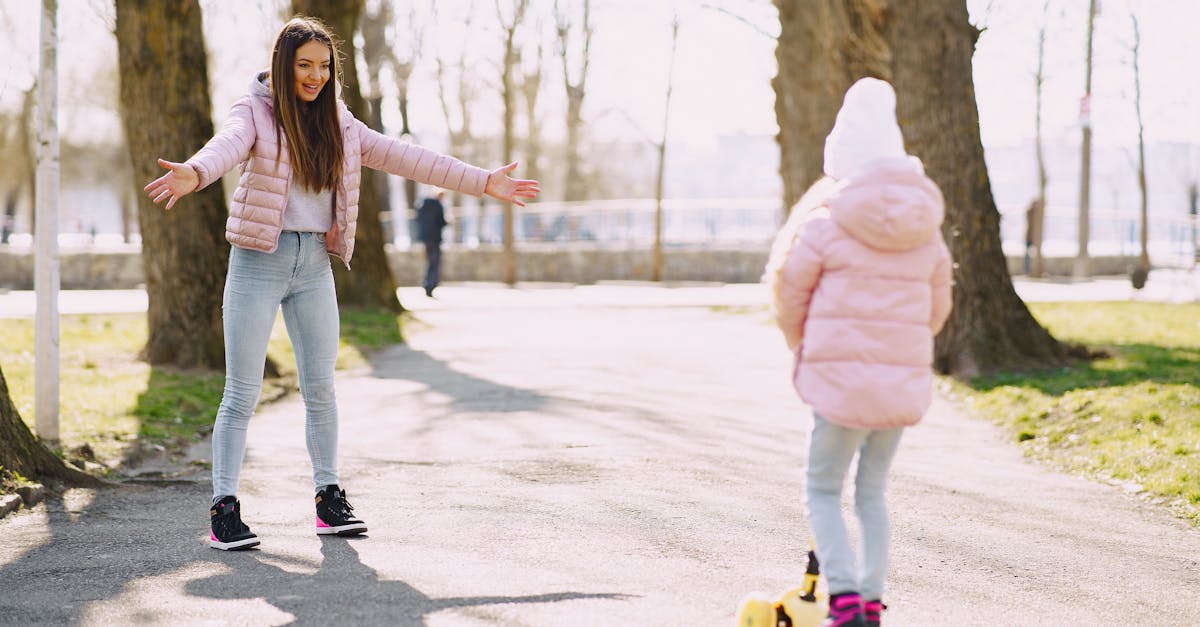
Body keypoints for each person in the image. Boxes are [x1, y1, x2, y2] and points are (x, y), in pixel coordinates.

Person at [142, 16, 539, 551]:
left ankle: (328, 499)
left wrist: (482, 182)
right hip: (259, 259)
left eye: (324, 66)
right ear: (284, 65)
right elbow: (227, 146)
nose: (315, 76)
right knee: (241, 391)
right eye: (304, 65)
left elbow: (408, 157)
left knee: (321, 388)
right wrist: (194, 171)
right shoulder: (254, 111)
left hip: (314, 267)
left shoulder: (341, 122)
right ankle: (224, 509)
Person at [764, 77, 952, 627]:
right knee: (872, 492)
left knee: (822, 487)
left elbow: (789, 293)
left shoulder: (825, 221)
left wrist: (805, 346)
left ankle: (841, 597)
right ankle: (870, 600)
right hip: (897, 383)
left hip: (839, 385)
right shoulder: (927, 231)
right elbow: (937, 310)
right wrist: (903, 352)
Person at [416, 191, 448, 297]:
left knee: (430, 261)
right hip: (434, 238)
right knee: (434, 262)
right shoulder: (438, 206)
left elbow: (418, 220)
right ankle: (430, 285)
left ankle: (427, 283)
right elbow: (441, 221)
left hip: (425, 238)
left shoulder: (422, 205)